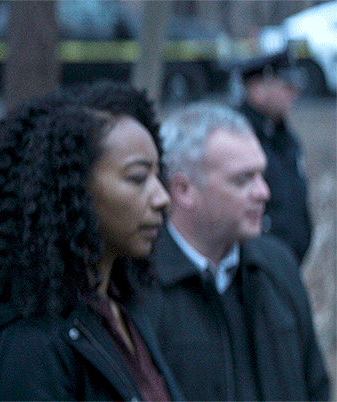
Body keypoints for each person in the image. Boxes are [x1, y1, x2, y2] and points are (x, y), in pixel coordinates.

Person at [0, 81, 183, 401]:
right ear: (70, 190)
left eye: (158, 174)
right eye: (138, 178)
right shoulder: (28, 352)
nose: (162, 197)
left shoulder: (122, 307)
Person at [140, 102, 330, 401]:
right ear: (183, 190)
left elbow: (315, 386)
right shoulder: (141, 286)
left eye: (261, 175)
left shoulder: (278, 266)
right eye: (243, 180)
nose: (263, 192)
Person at [237, 51, 312, 263]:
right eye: (286, 86)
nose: (294, 93)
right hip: (254, 265)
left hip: (288, 264)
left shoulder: (285, 139)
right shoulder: (237, 140)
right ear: (258, 90)